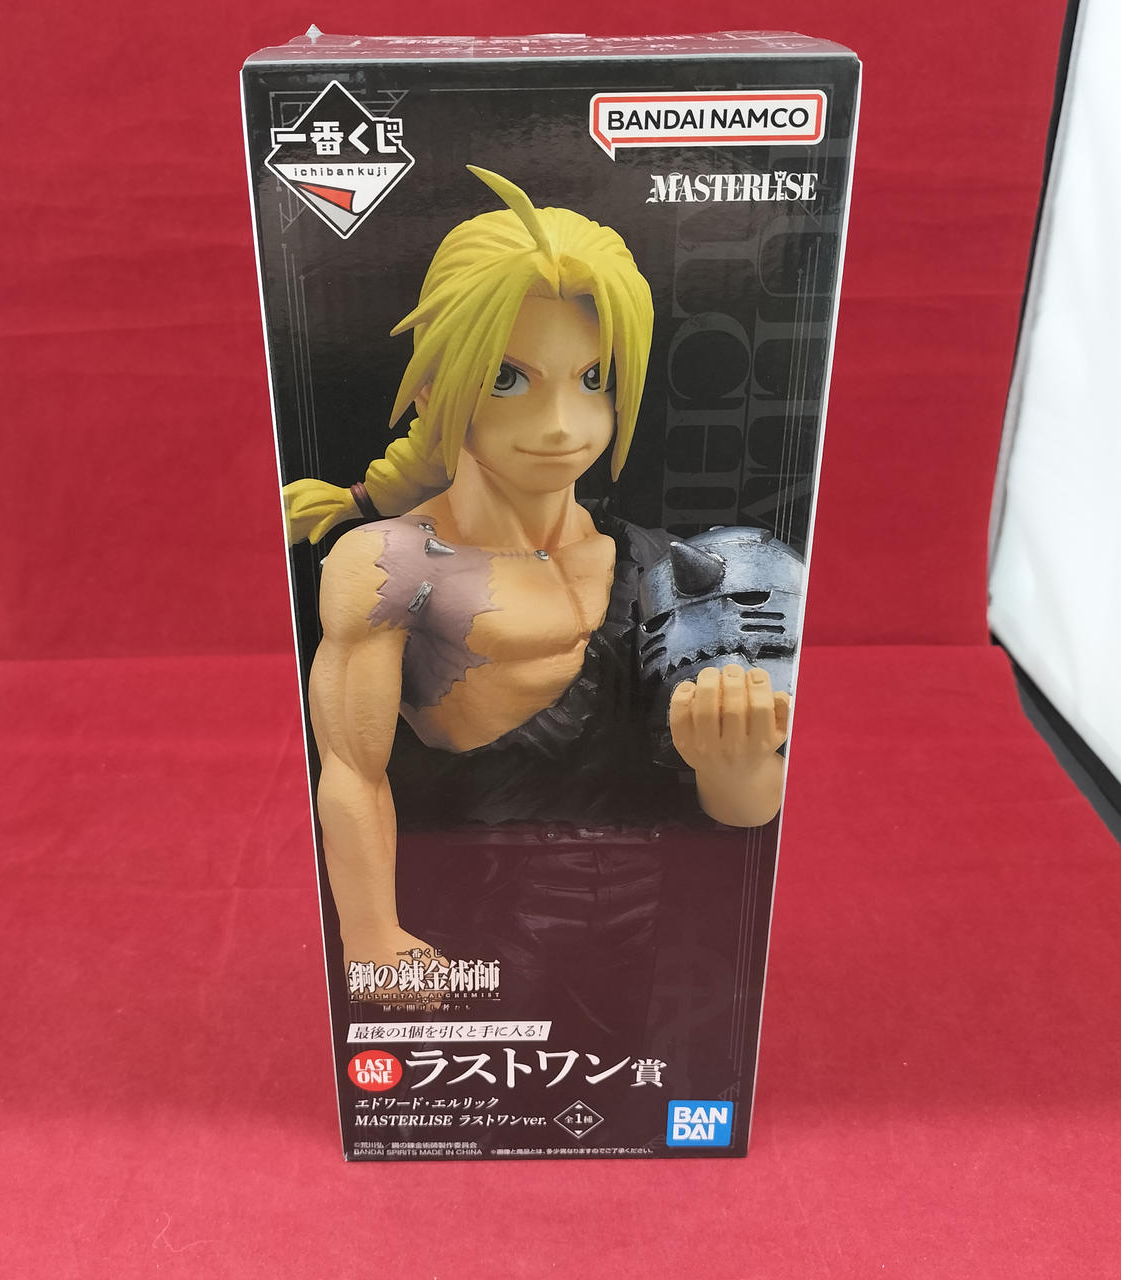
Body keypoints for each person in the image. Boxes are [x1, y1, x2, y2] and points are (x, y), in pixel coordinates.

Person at [284, 167, 790, 1009]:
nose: (561, 424)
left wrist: (735, 764)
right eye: (509, 378)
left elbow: (743, 811)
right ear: (440, 384)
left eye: (592, 379)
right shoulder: (390, 565)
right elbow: (349, 769)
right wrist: (371, 940)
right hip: (481, 925)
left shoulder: (665, 564)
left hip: (652, 926)